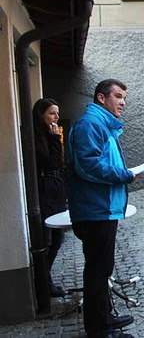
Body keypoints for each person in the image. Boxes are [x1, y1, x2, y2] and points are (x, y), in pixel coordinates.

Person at [68, 79, 136, 338]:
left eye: (124, 98)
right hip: (95, 210)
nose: (122, 103)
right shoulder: (91, 124)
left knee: (101, 269)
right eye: (118, 96)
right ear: (101, 98)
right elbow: (87, 165)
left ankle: (106, 319)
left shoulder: (100, 123)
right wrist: (123, 175)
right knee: (97, 272)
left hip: (101, 209)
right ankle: (99, 330)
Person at [32, 98, 67, 298]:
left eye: (57, 113)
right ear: (41, 115)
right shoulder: (37, 139)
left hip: (56, 190)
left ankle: (46, 279)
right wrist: (55, 140)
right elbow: (52, 163)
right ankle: (44, 283)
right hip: (45, 191)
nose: (56, 118)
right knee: (47, 238)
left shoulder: (48, 135)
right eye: (52, 113)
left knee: (57, 238)